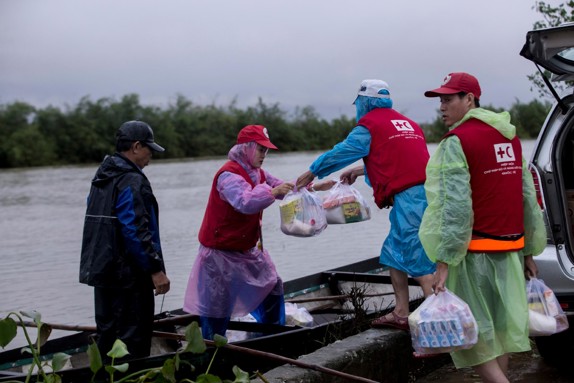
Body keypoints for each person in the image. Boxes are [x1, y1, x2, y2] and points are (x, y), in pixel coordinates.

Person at [419, 72, 546, 382]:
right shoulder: (509, 137)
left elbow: (454, 208)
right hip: (511, 252)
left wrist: (444, 260)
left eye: (448, 100)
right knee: (499, 332)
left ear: (470, 99)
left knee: (472, 338)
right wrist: (529, 250)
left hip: (474, 254)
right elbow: (527, 198)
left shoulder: (457, 142)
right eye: (440, 101)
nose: (442, 107)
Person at [296, 79, 436, 330]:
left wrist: (312, 171)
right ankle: (402, 312)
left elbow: (344, 150)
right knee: (393, 252)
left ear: (365, 102)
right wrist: (359, 171)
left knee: (420, 262)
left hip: (411, 201)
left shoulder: (369, 125)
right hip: (426, 194)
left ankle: (440, 323)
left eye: (359, 103)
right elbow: (396, 160)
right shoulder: (408, 123)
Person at [183, 124, 333, 340]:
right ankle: (211, 351)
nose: (264, 155)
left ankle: (272, 337)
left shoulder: (258, 173)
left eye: (266, 151)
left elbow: (284, 187)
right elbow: (245, 202)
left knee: (272, 287)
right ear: (247, 148)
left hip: (247, 250)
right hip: (219, 255)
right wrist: (272, 192)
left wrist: (315, 187)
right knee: (217, 308)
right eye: (261, 149)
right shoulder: (228, 175)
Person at [80, 120, 171, 359]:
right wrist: (155, 269)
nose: (151, 154)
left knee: (107, 336)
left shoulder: (102, 176)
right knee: (132, 342)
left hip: (103, 272)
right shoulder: (131, 180)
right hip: (127, 277)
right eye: (149, 148)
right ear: (136, 146)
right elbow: (135, 230)